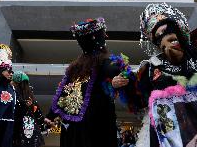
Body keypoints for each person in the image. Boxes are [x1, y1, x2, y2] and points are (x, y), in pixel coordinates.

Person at [113, 3, 197, 147]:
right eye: (158, 37)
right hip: (174, 134)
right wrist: (122, 85)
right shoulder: (152, 66)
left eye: (168, 31)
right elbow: (140, 100)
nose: (165, 38)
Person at [44, 17, 134, 147]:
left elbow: (62, 93)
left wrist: (114, 82)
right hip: (91, 124)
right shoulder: (81, 67)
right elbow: (64, 93)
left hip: (79, 124)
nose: (106, 37)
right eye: (103, 34)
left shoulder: (80, 67)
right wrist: (50, 116)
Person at [11, 71, 46, 147]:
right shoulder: (31, 98)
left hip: (17, 134)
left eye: (12, 81)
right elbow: (39, 116)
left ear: (15, 83)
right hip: (32, 135)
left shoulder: (13, 96)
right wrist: (43, 128)